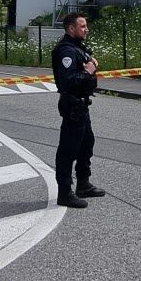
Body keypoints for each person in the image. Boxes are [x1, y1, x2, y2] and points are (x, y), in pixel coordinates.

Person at [51, 12, 105, 208]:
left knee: (86, 144)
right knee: (68, 150)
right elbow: (67, 82)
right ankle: (64, 193)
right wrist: (88, 71)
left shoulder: (77, 48)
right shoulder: (66, 51)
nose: (86, 29)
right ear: (71, 28)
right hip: (73, 105)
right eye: (82, 26)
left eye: (86, 26)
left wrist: (91, 65)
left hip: (82, 105)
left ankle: (83, 183)